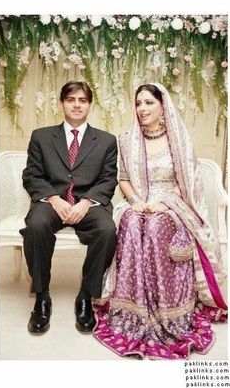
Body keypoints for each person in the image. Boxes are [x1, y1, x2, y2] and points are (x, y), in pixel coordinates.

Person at [93, 83, 227, 360]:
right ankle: (132, 309)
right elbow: (123, 179)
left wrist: (164, 204)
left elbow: (186, 182)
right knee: (130, 223)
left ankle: (166, 308)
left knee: (155, 227)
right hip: (140, 201)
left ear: (162, 105)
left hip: (172, 204)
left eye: (148, 103)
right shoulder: (127, 139)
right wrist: (135, 202)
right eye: (138, 103)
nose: (142, 108)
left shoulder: (178, 139)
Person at [20, 81, 118, 334]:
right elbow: (32, 175)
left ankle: (86, 296)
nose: (76, 104)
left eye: (82, 100)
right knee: (36, 225)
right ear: (62, 103)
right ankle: (42, 297)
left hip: (88, 203)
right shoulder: (41, 136)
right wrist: (54, 199)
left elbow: (108, 179)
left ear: (89, 105)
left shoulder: (106, 141)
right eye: (71, 99)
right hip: (52, 201)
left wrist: (86, 203)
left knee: (107, 230)